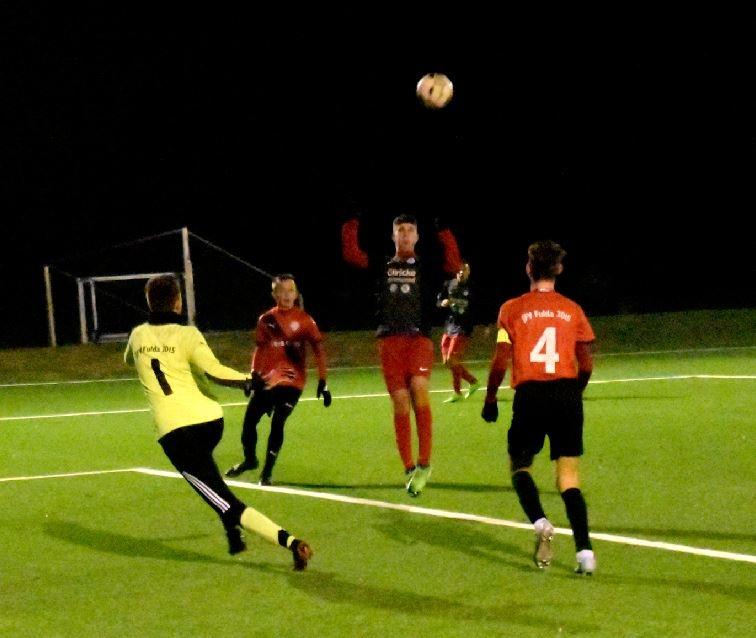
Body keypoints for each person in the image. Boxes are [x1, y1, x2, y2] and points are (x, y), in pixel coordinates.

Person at [124, 273, 313, 571]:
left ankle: (290, 542)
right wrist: (251, 381)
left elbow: (129, 360)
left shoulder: (137, 336)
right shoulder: (188, 335)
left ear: (149, 302)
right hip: (210, 421)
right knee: (211, 480)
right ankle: (232, 535)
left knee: (224, 500)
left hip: (177, 435)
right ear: (178, 302)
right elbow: (215, 371)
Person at [480, 240, 596, 575]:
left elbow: (500, 361)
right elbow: (587, 364)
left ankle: (541, 522)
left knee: (520, 467)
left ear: (529, 268)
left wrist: (490, 399)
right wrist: (574, 392)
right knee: (569, 478)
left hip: (530, 395)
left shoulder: (511, 309)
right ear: (559, 269)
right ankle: (585, 553)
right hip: (566, 394)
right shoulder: (573, 310)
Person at [342, 213, 462, 496]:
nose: (405, 234)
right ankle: (409, 467)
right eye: (400, 230)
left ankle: (425, 462)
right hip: (389, 341)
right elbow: (351, 254)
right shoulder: (382, 264)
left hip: (418, 339)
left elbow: (454, 265)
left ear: (417, 236)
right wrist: (351, 222)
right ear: (393, 236)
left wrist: (444, 232)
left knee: (419, 389)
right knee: (399, 402)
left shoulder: (425, 266)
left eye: (410, 230)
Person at [225, 273, 331, 486]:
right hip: (269, 380)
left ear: (297, 294)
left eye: (291, 290)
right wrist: (253, 374)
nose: (287, 295)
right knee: (249, 423)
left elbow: (318, 350)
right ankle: (250, 460)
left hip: (293, 381)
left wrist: (323, 381)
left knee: (278, 421)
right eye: (282, 291)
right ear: (274, 295)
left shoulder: (305, 320)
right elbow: (259, 349)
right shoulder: (266, 320)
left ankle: (267, 472)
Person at [436, 259, 479, 403]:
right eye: (459, 270)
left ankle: (457, 393)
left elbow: (476, 307)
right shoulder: (448, 284)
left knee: (452, 359)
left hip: (462, 328)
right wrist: (442, 303)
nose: (461, 272)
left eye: (464, 270)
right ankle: (473, 382)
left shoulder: (472, 287)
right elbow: (438, 301)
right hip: (449, 326)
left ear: (468, 272)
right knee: (446, 361)